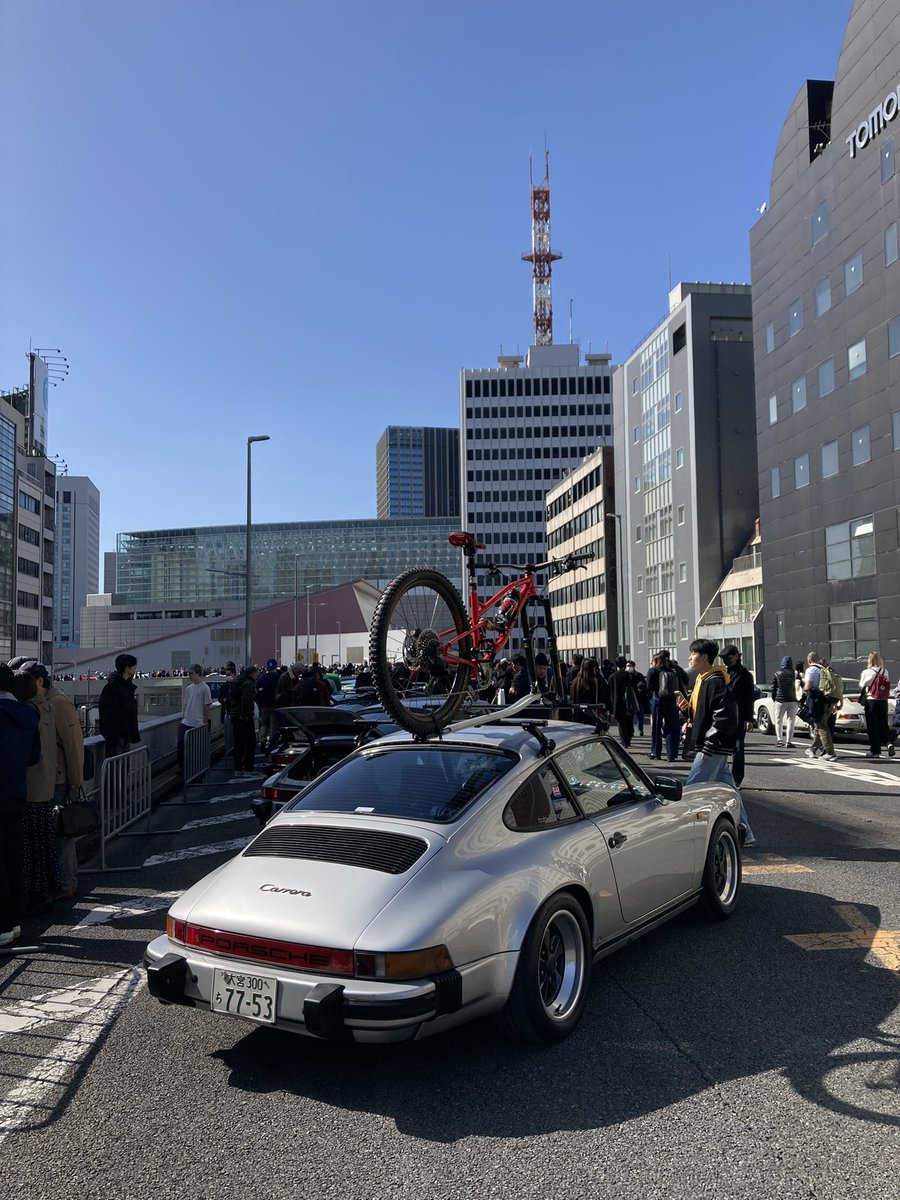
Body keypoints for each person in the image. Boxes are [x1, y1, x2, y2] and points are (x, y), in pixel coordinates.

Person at [676, 638, 755, 845]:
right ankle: (744, 832)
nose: (690, 657)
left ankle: (684, 839)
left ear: (704, 657)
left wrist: (710, 745)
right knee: (731, 792)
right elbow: (705, 714)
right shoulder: (705, 679)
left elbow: (725, 716)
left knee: (692, 790)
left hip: (712, 746)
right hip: (713, 745)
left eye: (693, 653)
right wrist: (686, 709)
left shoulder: (715, 680)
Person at [22, 662, 84, 903]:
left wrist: (76, 780)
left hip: (61, 779)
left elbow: (73, 744)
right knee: (56, 832)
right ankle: (61, 881)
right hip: (50, 778)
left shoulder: (58, 703)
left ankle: (67, 882)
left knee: (63, 833)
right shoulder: (41, 704)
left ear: (39, 682)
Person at [10, 670, 60, 915]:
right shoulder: (46, 708)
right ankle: (45, 892)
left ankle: (29, 897)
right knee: (42, 844)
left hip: (29, 788)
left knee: (25, 848)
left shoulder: (21, 713)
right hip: (46, 786)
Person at [0, 664, 41, 946]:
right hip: (16, 792)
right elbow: (33, 757)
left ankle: (3, 925)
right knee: (13, 856)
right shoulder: (29, 714)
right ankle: (14, 920)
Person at [721, 646, 756, 787]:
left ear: (736, 656)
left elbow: (749, 698)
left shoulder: (745, 675)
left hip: (739, 716)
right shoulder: (722, 672)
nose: (725, 661)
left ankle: (736, 779)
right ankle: (721, 776)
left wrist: (748, 719)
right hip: (722, 715)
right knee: (719, 747)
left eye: (728, 658)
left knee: (737, 748)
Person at [98, 653, 140, 758]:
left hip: (125, 735)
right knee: (116, 769)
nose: (135, 669)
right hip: (116, 737)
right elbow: (106, 714)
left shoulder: (126, 686)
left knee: (121, 768)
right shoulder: (113, 688)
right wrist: (112, 736)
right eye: (134, 667)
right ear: (127, 668)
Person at [647, 650, 685, 762]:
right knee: (672, 727)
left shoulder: (653, 670)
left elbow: (649, 686)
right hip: (672, 701)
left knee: (657, 728)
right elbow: (685, 679)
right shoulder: (674, 669)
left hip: (658, 701)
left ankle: (656, 752)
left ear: (656, 660)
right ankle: (671, 754)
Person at [858, 652, 895, 758]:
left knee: (872, 726)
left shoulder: (867, 672)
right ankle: (888, 742)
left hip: (871, 700)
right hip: (883, 700)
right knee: (883, 724)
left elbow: (862, 685)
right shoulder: (885, 671)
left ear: (870, 660)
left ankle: (875, 751)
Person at [178, 664, 211, 772]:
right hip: (187, 720)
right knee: (181, 744)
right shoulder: (189, 688)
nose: (190, 676)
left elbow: (206, 706)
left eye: (191, 673)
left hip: (198, 722)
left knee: (196, 749)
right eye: (189, 674)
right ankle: (183, 768)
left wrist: (205, 722)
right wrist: (183, 717)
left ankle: (195, 769)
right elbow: (186, 704)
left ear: (198, 673)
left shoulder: (205, 688)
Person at [802, 652, 835, 761]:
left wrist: (802, 690)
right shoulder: (825, 669)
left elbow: (808, 687)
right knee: (819, 725)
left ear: (809, 660)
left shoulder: (811, 670)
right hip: (827, 701)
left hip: (816, 701)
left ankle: (830, 753)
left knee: (822, 727)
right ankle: (812, 749)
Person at [231, 664, 260, 778]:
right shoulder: (248, 684)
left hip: (234, 715)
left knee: (238, 742)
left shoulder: (236, 681)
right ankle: (248, 767)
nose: (257, 674)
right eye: (256, 673)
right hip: (244, 717)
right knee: (250, 742)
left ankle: (238, 768)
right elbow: (247, 700)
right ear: (251, 673)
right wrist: (245, 714)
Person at [609, 656, 638, 748]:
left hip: (617, 703)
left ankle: (624, 741)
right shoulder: (629, 675)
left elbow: (609, 691)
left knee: (621, 723)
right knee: (629, 722)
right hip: (628, 702)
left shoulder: (612, 677)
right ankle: (628, 739)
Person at [771, 656, 799, 747]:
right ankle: (789, 742)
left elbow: (773, 688)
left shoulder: (777, 673)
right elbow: (801, 685)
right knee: (791, 721)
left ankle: (779, 740)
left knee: (778, 720)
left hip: (780, 700)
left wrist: (774, 698)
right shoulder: (795, 673)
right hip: (793, 700)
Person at [255, 659, 280, 752]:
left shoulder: (262, 677)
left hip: (264, 705)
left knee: (264, 724)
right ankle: (272, 743)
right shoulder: (277, 677)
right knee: (273, 725)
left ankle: (263, 741)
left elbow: (257, 691)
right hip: (274, 705)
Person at [219, 661, 237, 754]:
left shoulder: (237, 682)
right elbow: (220, 698)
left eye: (230, 669)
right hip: (227, 713)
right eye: (227, 670)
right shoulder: (225, 684)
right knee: (229, 734)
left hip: (235, 713)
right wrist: (224, 700)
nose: (228, 672)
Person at [625, 661, 648, 735]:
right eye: (627, 665)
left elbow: (644, 684)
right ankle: (631, 730)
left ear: (634, 666)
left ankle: (640, 729)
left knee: (640, 715)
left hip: (638, 697)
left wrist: (641, 688)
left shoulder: (638, 675)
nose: (628, 667)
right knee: (630, 715)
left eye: (630, 665)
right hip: (629, 698)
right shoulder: (625, 675)